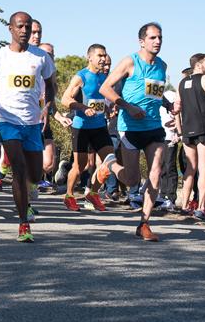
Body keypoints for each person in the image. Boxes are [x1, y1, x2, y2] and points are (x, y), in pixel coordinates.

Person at [0, 11, 54, 242]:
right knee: (20, 169)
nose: (24, 31)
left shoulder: (41, 57)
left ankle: (28, 198)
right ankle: (23, 224)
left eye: (28, 27)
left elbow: (51, 85)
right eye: (20, 26)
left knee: (34, 173)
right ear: (11, 29)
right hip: (7, 120)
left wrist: (47, 106)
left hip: (32, 124)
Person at [98, 22, 176, 242]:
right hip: (130, 127)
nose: (158, 41)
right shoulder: (130, 61)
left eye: (160, 37)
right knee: (132, 178)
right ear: (142, 41)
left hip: (154, 127)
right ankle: (110, 164)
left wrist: (168, 107)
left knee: (155, 172)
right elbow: (105, 88)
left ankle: (144, 223)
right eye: (153, 38)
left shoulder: (162, 65)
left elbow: (155, 95)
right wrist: (128, 107)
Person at [60, 44, 114, 212]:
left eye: (104, 55)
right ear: (90, 57)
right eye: (99, 55)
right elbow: (64, 99)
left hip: (99, 126)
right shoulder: (81, 76)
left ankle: (93, 193)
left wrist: (108, 109)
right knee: (80, 166)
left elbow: (101, 100)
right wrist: (83, 108)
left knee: (110, 162)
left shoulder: (106, 77)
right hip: (81, 127)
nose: (103, 59)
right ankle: (69, 196)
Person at [175, 53, 205, 221]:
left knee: (190, 169)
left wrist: (180, 131)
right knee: (204, 169)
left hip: (187, 131)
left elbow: (176, 109)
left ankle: (184, 206)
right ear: (198, 65)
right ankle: (201, 208)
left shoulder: (181, 83)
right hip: (204, 129)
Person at [27, 21, 60, 191]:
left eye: (39, 32)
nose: (36, 35)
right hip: (22, 118)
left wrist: (51, 111)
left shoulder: (46, 62)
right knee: (25, 160)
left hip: (42, 117)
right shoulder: (20, 57)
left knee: (47, 164)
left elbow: (52, 91)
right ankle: (28, 191)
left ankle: (34, 180)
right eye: (33, 32)